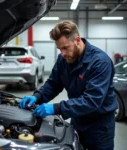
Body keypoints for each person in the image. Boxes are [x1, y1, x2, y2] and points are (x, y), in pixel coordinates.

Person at [19, 20, 118, 150]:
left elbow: (92, 100)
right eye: (60, 49)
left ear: (77, 40)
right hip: (78, 119)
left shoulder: (100, 62)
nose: (63, 53)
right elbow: (53, 83)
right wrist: (37, 96)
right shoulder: (64, 59)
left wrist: (56, 108)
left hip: (99, 126)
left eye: (65, 48)